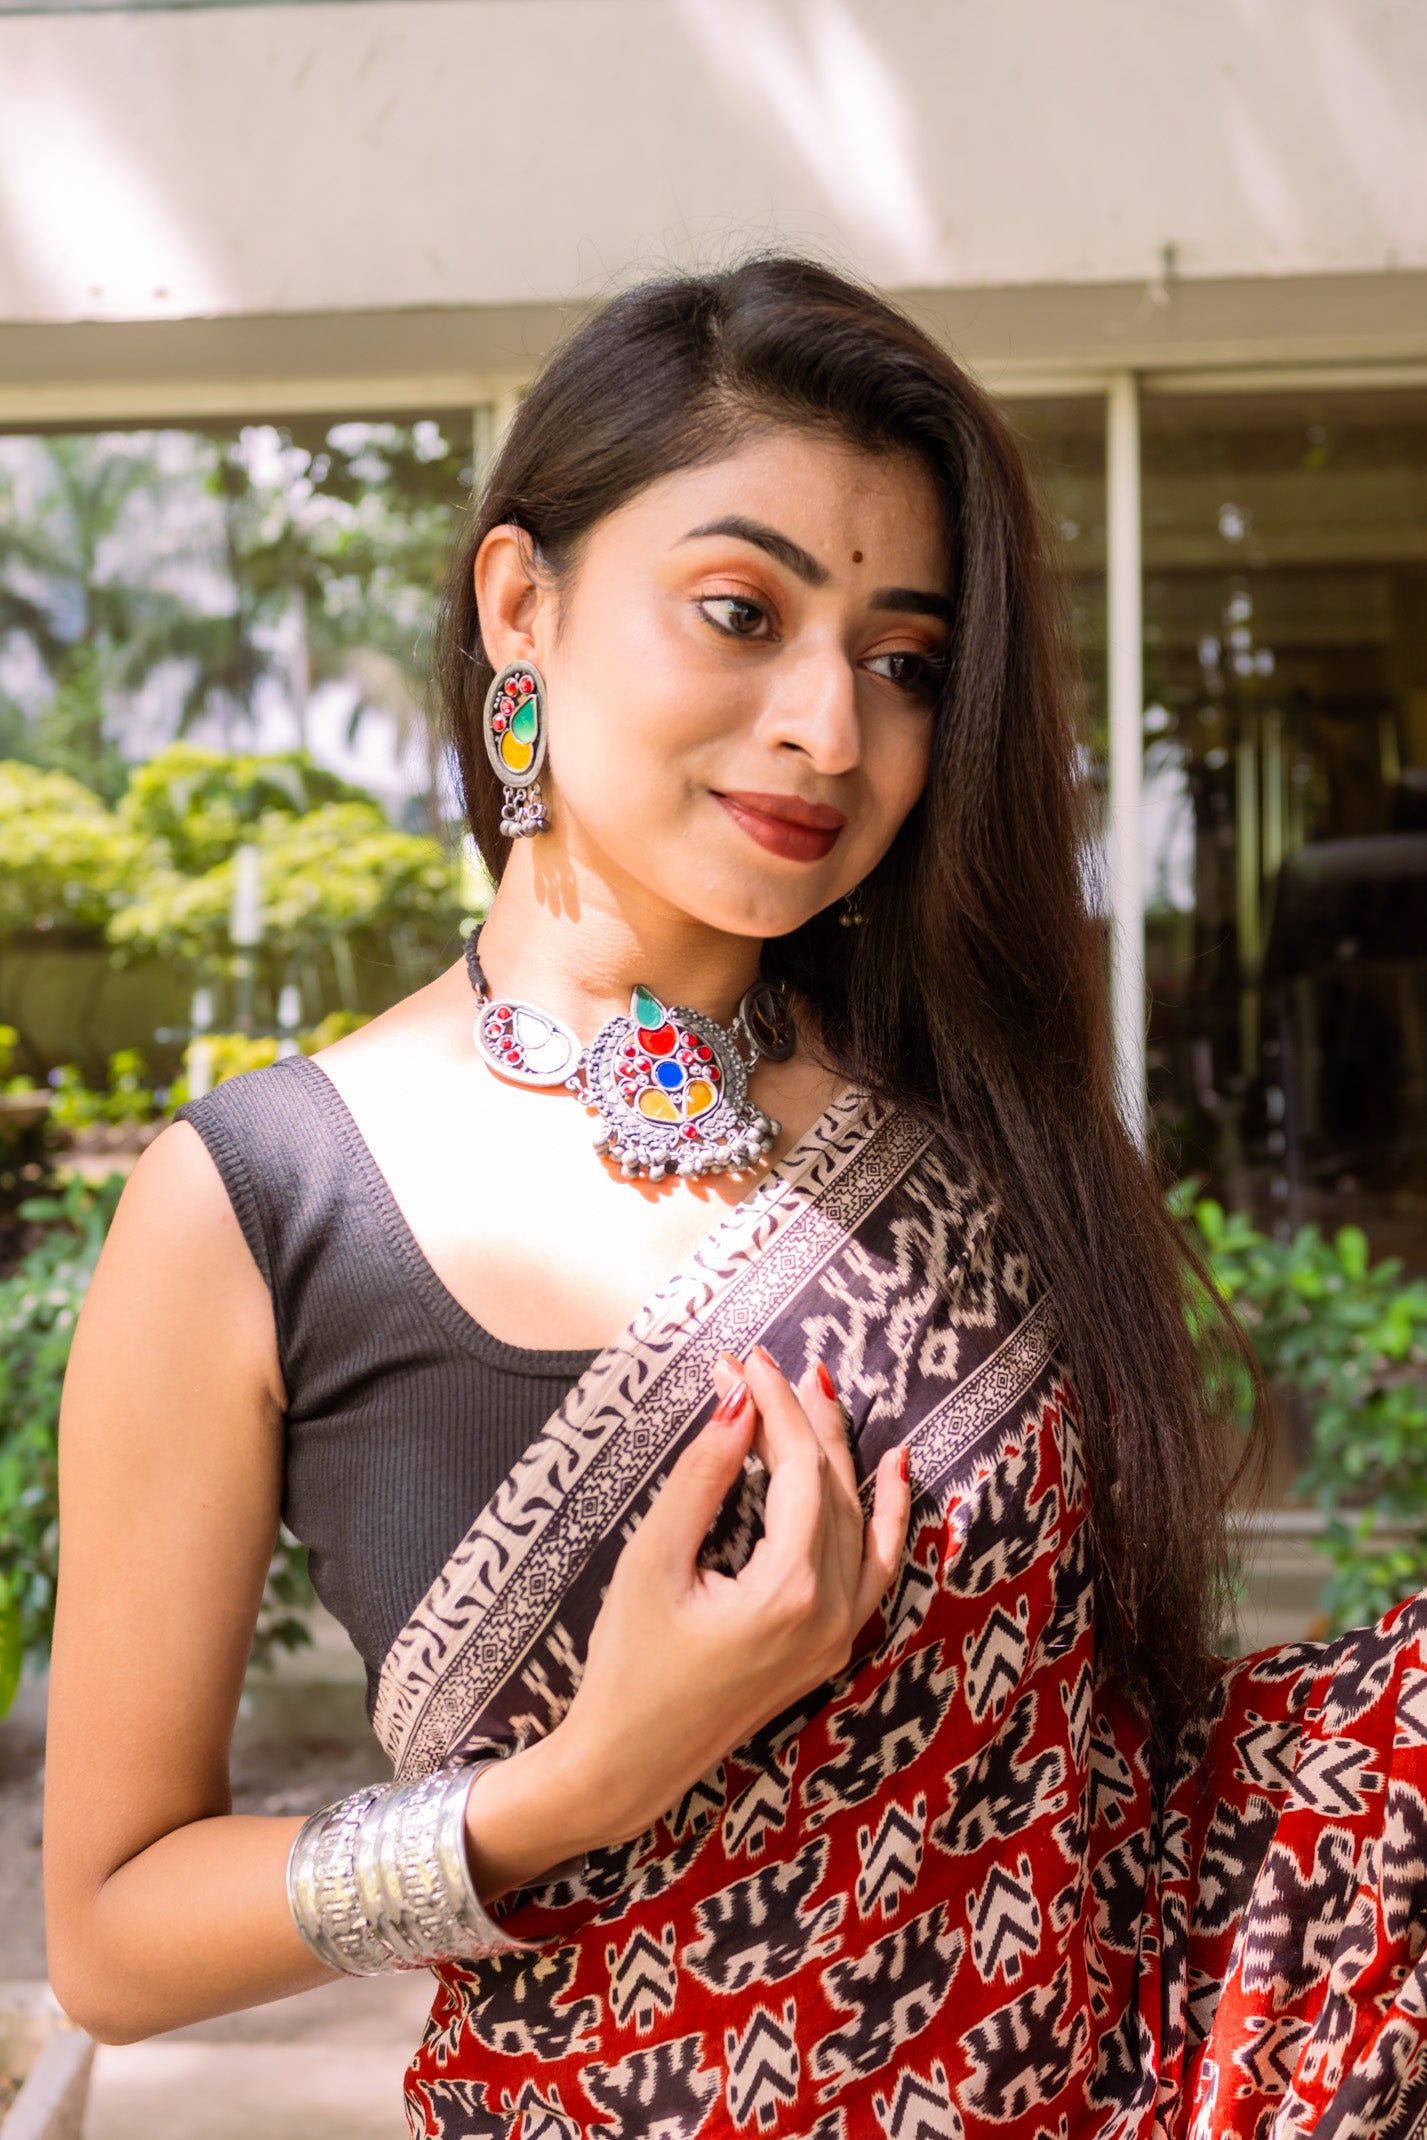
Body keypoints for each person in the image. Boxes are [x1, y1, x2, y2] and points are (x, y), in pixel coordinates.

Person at [42, 259, 1427, 2140]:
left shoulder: (971, 1122)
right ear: (519, 602)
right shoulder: (262, 1204)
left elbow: (1124, 1775)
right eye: (739, 610)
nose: (830, 732)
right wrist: (579, 1785)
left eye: (902, 661)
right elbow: (114, 1933)